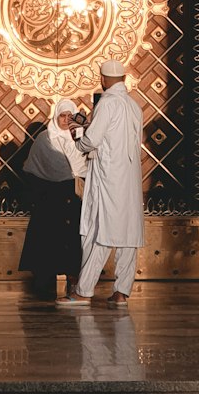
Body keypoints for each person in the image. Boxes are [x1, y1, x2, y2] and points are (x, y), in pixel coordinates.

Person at [57, 58, 144, 309]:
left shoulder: (107, 103)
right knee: (127, 232)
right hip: (128, 178)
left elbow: (93, 140)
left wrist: (78, 140)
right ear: (124, 79)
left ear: (103, 80)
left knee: (100, 230)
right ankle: (122, 292)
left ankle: (84, 291)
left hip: (108, 177)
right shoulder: (133, 106)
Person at [19, 98, 86, 300]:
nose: (65, 120)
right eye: (62, 116)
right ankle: (44, 281)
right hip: (50, 197)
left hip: (76, 197)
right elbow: (34, 169)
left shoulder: (81, 138)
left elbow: (84, 164)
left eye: (69, 116)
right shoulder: (44, 139)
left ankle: (74, 281)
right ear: (56, 117)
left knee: (74, 238)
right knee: (48, 238)